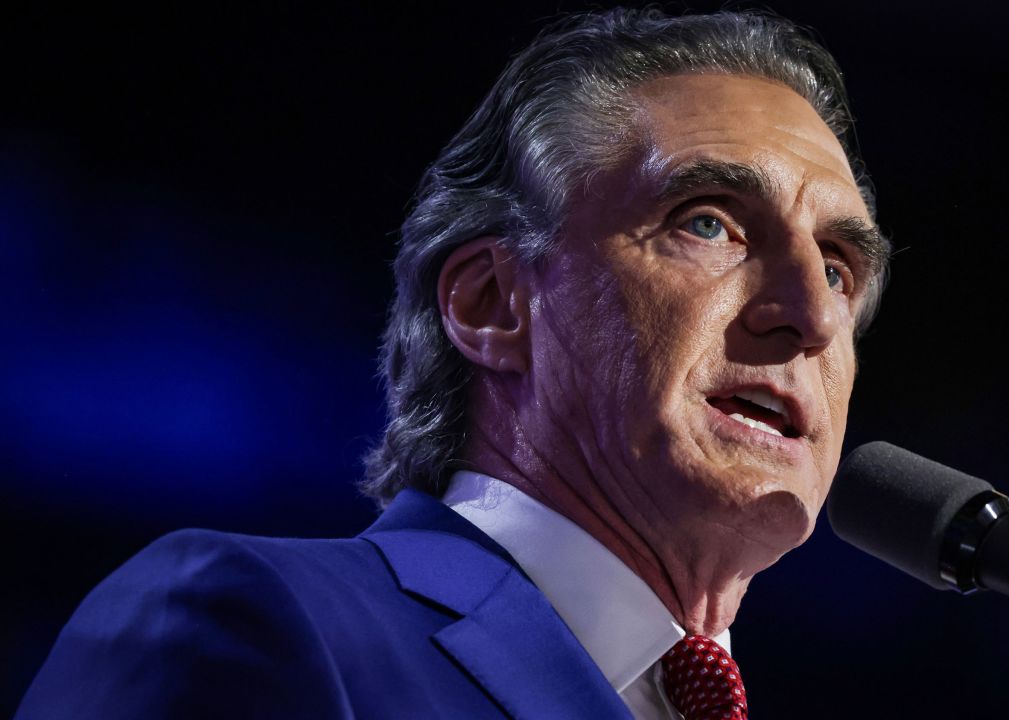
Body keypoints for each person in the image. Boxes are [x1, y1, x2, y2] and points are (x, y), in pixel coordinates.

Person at [18, 8, 889, 719]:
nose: (813, 315)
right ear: (490, 305)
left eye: (840, 269)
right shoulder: (255, 624)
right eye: (710, 223)